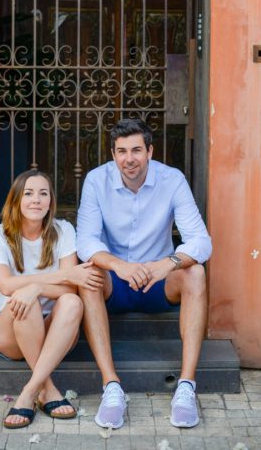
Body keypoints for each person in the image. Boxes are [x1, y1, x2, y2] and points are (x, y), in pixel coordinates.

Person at [76, 118, 212, 430]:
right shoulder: (97, 181)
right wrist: (118, 265)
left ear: (150, 151)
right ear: (113, 154)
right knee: (88, 274)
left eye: (136, 150)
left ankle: (186, 386)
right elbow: (85, 241)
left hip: (158, 281)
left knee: (196, 273)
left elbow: (201, 241)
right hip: (116, 281)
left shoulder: (172, 179)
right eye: (121, 151)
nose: (129, 158)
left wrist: (168, 263)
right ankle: (111, 387)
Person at [0, 169, 104, 429]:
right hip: (10, 330)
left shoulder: (64, 231)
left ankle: (28, 393)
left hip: (56, 331)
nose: (36, 200)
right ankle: (46, 389)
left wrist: (35, 287)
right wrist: (44, 284)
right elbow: (5, 285)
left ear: (50, 201)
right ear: (16, 200)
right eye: (28, 193)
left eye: (43, 193)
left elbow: (71, 290)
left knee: (73, 303)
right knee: (26, 303)